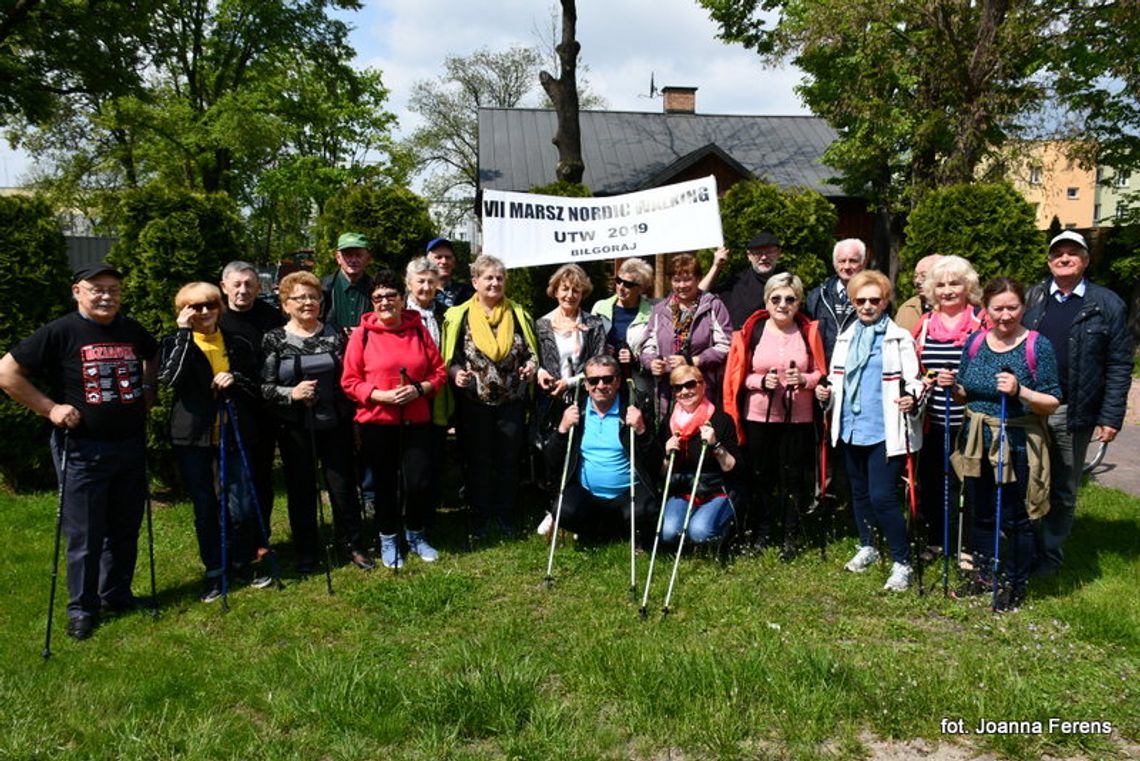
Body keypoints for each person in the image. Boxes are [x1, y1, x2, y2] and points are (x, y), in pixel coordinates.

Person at [0, 262, 157, 640]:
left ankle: (116, 593)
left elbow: (154, 354)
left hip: (130, 444)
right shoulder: (60, 331)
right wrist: (50, 408)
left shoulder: (131, 329)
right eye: (97, 288)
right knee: (85, 533)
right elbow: (6, 373)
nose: (106, 296)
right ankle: (81, 608)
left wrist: (148, 391)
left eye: (114, 289)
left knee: (124, 526)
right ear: (77, 292)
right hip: (84, 449)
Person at [1023, 230, 1132, 577]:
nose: (1064, 258)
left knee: (1064, 486)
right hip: (1028, 405)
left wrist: (1111, 415)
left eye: (1073, 253)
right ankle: (1024, 547)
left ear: (1085, 261)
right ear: (1049, 260)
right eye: (1058, 253)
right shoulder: (1033, 297)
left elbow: (1119, 364)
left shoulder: (1107, 303)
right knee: (1027, 478)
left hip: (1073, 410)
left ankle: (1050, 555)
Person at [952, 277, 1061, 611]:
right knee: (982, 513)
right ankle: (984, 576)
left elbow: (1052, 400)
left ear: (1023, 307)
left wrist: (1020, 391)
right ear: (985, 309)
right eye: (997, 308)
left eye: (1012, 307)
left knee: (1016, 519)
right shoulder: (974, 343)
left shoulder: (1036, 345)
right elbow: (965, 389)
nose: (1004, 315)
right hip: (977, 442)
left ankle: (1015, 583)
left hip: (1017, 444)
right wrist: (950, 385)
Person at [158, 282, 269, 601]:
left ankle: (242, 561)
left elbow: (256, 385)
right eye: (194, 306)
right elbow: (171, 379)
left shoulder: (235, 341)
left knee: (241, 504)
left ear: (220, 306)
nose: (204, 311)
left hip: (233, 432)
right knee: (207, 506)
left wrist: (234, 379)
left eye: (210, 304)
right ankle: (214, 570)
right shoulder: (174, 342)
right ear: (183, 311)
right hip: (194, 437)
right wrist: (182, 333)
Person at [815, 270, 923, 592]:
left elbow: (915, 380)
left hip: (884, 430)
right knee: (859, 493)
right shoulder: (846, 337)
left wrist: (912, 398)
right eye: (860, 300)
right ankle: (868, 546)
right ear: (852, 303)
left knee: (883, 497)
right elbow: (836, 381)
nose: (866, 306)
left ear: (885, 301)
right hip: (850, 427)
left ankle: (902, 562)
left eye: (874, 300)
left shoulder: (899, 337)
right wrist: (826, 395)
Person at [261, 271, 373, 573]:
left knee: (343, 487)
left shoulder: (334, 334)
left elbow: (349, 376)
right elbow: (266, 388)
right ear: (285, 304)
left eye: (313, 297)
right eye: (300, 297)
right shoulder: (275, 339)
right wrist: (292, 393)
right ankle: (307, 551)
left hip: (334, 423)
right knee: (301, 489)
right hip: (295, 427)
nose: (308, 302)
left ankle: (352, 544)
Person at [341, 270, 447, 568]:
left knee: (418, 481)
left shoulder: (418, 330)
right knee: (385, 484)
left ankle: (415, 534)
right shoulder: (361, 335)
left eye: (391, 296)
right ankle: (388, 538)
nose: (385, 302)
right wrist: (379, 395)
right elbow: (349, 381)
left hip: (416, 419)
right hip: (377, 421)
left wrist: (418, 389)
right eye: (378, 298)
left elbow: (438, 372)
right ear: (371, 302)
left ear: (402, 299)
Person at [723, 272, 826, 557]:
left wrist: (805, 380)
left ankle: (790, 536)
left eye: (790, 299)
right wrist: (760, 382)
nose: (783, 304)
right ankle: (761, 531)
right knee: (760, 476)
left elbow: (821, 372)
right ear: (766, 301)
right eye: (776, 298)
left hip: (798, 416)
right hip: (758, 415)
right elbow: (739, 376)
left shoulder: (808, 331)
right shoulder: (752, 331)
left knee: (792, 477)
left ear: (799, 302)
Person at [441, 254, 538, 537]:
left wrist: (531, 366)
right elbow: (451, 355)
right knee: (478, 461)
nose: (495, 283)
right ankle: (480, 516)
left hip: (511, 402)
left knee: (509, 461)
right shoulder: (458, 316)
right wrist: (455, 372)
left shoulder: (519, 314)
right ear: (475, 282)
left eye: (499, 278)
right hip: (474, 403)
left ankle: (506, 515)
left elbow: (532, 351)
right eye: (488, 278)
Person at [540, 355, 661, 544]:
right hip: (588, 494)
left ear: (618, 381)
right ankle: (600, 530)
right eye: (593, 380)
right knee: (563, 510)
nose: (601, 385)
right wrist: (562, 430)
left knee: (646, 510)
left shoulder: (634, 407)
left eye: (608, 379)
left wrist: (642, 431)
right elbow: (552, 461)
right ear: (586, 384)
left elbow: (655, 462)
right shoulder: (575, 410)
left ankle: (616, 530)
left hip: (628, 493)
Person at [912, 255, 985, 559]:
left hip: (970, 420)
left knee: (969, 484)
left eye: (954, 283)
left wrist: (962, 381)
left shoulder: (982, 321)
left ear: (967, 285)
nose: (947, 290)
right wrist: (926, 380)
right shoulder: (926, 323)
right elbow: (915, 368)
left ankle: (967, 545)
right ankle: (936, 539)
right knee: (933, 484)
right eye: (940, 284)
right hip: (934, 419)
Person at [218, 260, 284, 540]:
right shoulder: (215, 318)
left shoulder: (271, 317)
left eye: (249, 284)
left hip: (264, 409)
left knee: (260, 477)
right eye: (236, 285)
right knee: (232, 483)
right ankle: (234, 540)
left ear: (259, 287)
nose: (243, 290)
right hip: (228, 409)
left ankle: (261, 537)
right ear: (224, 287)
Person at [641, 253, 732, 419]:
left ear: (698, 279)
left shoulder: (712, 305)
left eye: (687, 279)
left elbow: (726, 345)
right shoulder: (660, 309)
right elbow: (648, 345)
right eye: (676, 280)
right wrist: (651, 362)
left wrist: (693, 361)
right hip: (668, 391)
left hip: (702, 388)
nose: (682, 285)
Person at [659, 365, 741, 545]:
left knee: (699, 533)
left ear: (702, 386)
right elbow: (663, 474)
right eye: (678, 387)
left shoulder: (721, 419)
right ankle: (692, 520)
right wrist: (666, 456)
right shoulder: (669, 423)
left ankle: (727, 528)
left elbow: (732, 467)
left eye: (690, 384)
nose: (685, 391)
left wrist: (716, 445)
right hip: (684, 490)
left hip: (716, 490)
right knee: (669, 533)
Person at [535, 264, 607, 441]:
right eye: (565, 289)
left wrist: (570, 383)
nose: (570, 295)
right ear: (556, 291)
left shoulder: (594, 324)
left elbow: (599, 366)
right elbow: (533, 358)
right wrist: (539, 372)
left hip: (585, 398)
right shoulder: (541, 324)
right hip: (550, 400)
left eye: (576, 290)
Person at [592, 257, 657, 411]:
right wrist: (602, 350)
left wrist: (635, 359)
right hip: (604, 384)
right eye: (618, 280)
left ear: (641, 288)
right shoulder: (600, 307)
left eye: (628, 284)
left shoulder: (652, 312)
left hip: (637, 385)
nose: (621, 287)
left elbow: (654, 349)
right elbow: (591, 347)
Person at [699, 233, 788, 329]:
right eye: (758, 253)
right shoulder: (736, 285)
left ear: (778, 253)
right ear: (749, 255)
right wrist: (716, 267)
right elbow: (698, 296)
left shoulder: (789, 283)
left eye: (769, 252)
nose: (764, 257)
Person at [806, 238, 866, 362]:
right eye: (842, 261)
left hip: (859, 371)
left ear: (863, 263)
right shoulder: (817, 296)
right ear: (834, 264)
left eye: (853, 261)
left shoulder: (874, 298)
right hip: (824, 372)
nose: (847, 266)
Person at [321, 232, 374, 334]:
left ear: (367, 258)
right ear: (338, 258)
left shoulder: (376, 289)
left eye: (359, 255)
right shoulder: (323, 287)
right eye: (348, 255)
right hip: (331, 347)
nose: (353, 260)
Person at [895, 254, 942, 333]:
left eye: (923, 275)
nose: (917, 281)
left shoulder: (955, 308)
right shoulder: (907, 308)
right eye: (915, 276)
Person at [427, 237, 474, 308]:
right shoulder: (420, 292)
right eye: (438, 257)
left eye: (448, 257)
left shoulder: (468, 293)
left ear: (454, 263)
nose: (444, 261)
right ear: (427, 262)